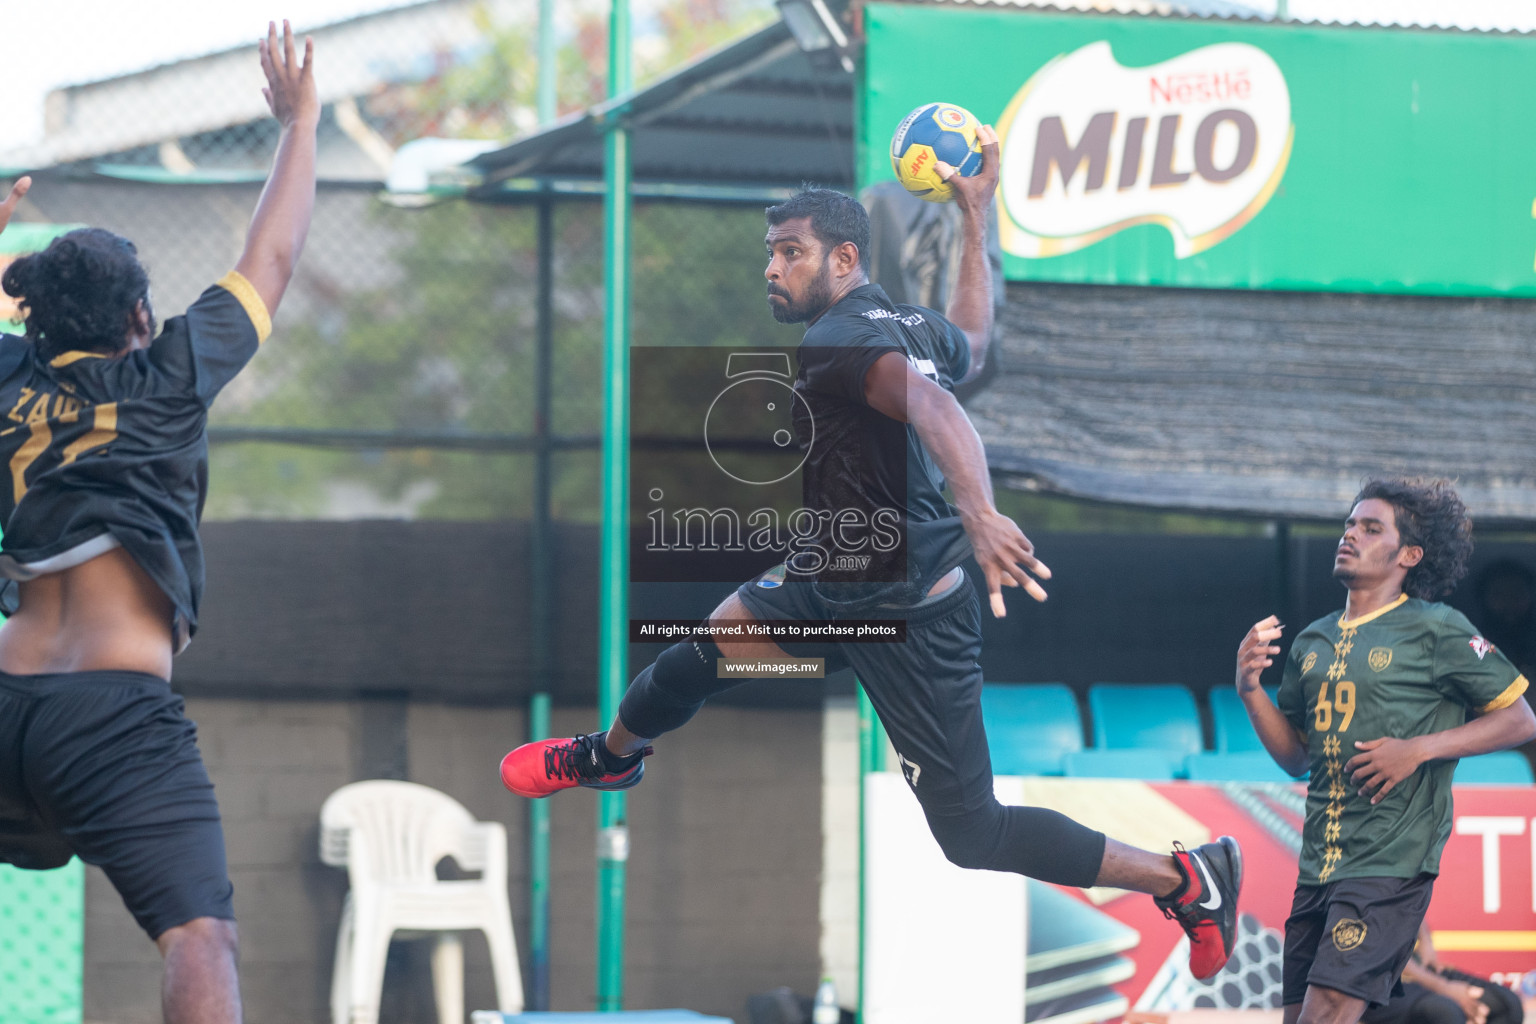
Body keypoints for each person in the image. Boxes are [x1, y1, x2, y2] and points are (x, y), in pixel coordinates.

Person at [503, 127, 1243, 980]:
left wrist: (982, 513)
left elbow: (938, 412)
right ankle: (609, 758)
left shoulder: (840, 342)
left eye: (790, 252)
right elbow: (971, 334)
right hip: (831, 576)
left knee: (974, 835)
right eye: (771, 254)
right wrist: (977, 217)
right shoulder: (901, 324)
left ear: (844, 256)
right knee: (702, 649)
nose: (772, 270)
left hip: (909, 613)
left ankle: (1185, 878)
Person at [0, 22, 316, 1024]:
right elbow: (272, 255)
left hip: (5, 702)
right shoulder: (169, 376)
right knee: (197, 936)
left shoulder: (9, 382)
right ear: (141, 318)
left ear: (32, 325)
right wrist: (299, 123)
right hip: (111, 718)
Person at [1236, 478, 1536, 1024]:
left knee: (1326, 1015)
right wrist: (1250, 690)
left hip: (1389, 864)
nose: (1350, 535)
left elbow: (1520, 719)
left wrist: (1418, 749)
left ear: (1409, 555)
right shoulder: (1311, 642)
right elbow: (1296, 757)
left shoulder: (1437, 627)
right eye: (1350, 524)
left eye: (1371, 528)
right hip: (1317, 867)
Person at [1360, 922, 1522, 1024]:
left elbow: (1414, 908)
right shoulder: (1366, 877)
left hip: (1421, 972)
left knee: (1508, 1004)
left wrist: (1426, 941)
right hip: (1375, 982)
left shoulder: (1410, 874)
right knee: (1447, 1011)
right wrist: (1444, 987)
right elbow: (1382, 951)